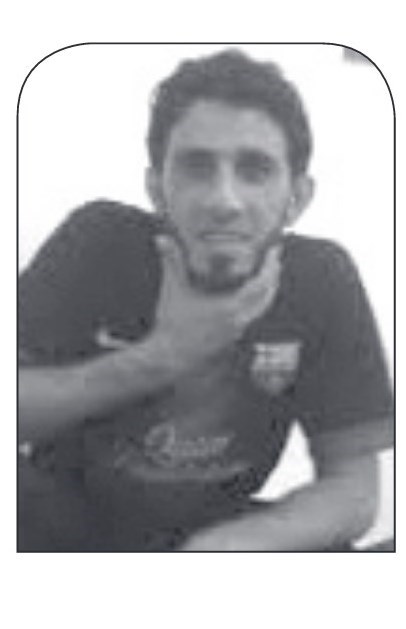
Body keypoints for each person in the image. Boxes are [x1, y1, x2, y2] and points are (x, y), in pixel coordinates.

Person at [18, 49, 393, 552]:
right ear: (157, 188)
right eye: (197, 167)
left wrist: (215, 556)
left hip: (218, 531)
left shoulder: (321, 278)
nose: (224, 201)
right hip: (63, 525)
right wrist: (162, 356)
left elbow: (354, 490)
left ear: (297, 198)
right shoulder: (98, 242)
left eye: (255, 170)